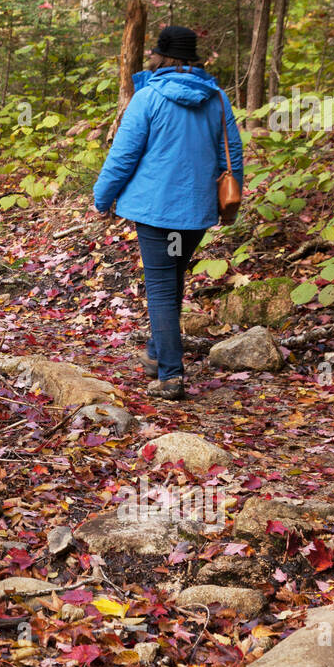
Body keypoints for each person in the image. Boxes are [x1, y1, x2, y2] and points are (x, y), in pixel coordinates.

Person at [92, 26, 244, 400]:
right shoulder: (218, 98)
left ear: (163, 57)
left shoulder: (148, 98)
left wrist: (102, 197)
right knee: (172, 280)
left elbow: (124, 155)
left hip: (156, 211)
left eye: (155, 54)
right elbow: (233, 156)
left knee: (161, 288)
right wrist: (230, 205)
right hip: (194, 212)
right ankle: (156, 354)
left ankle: (171, 375)